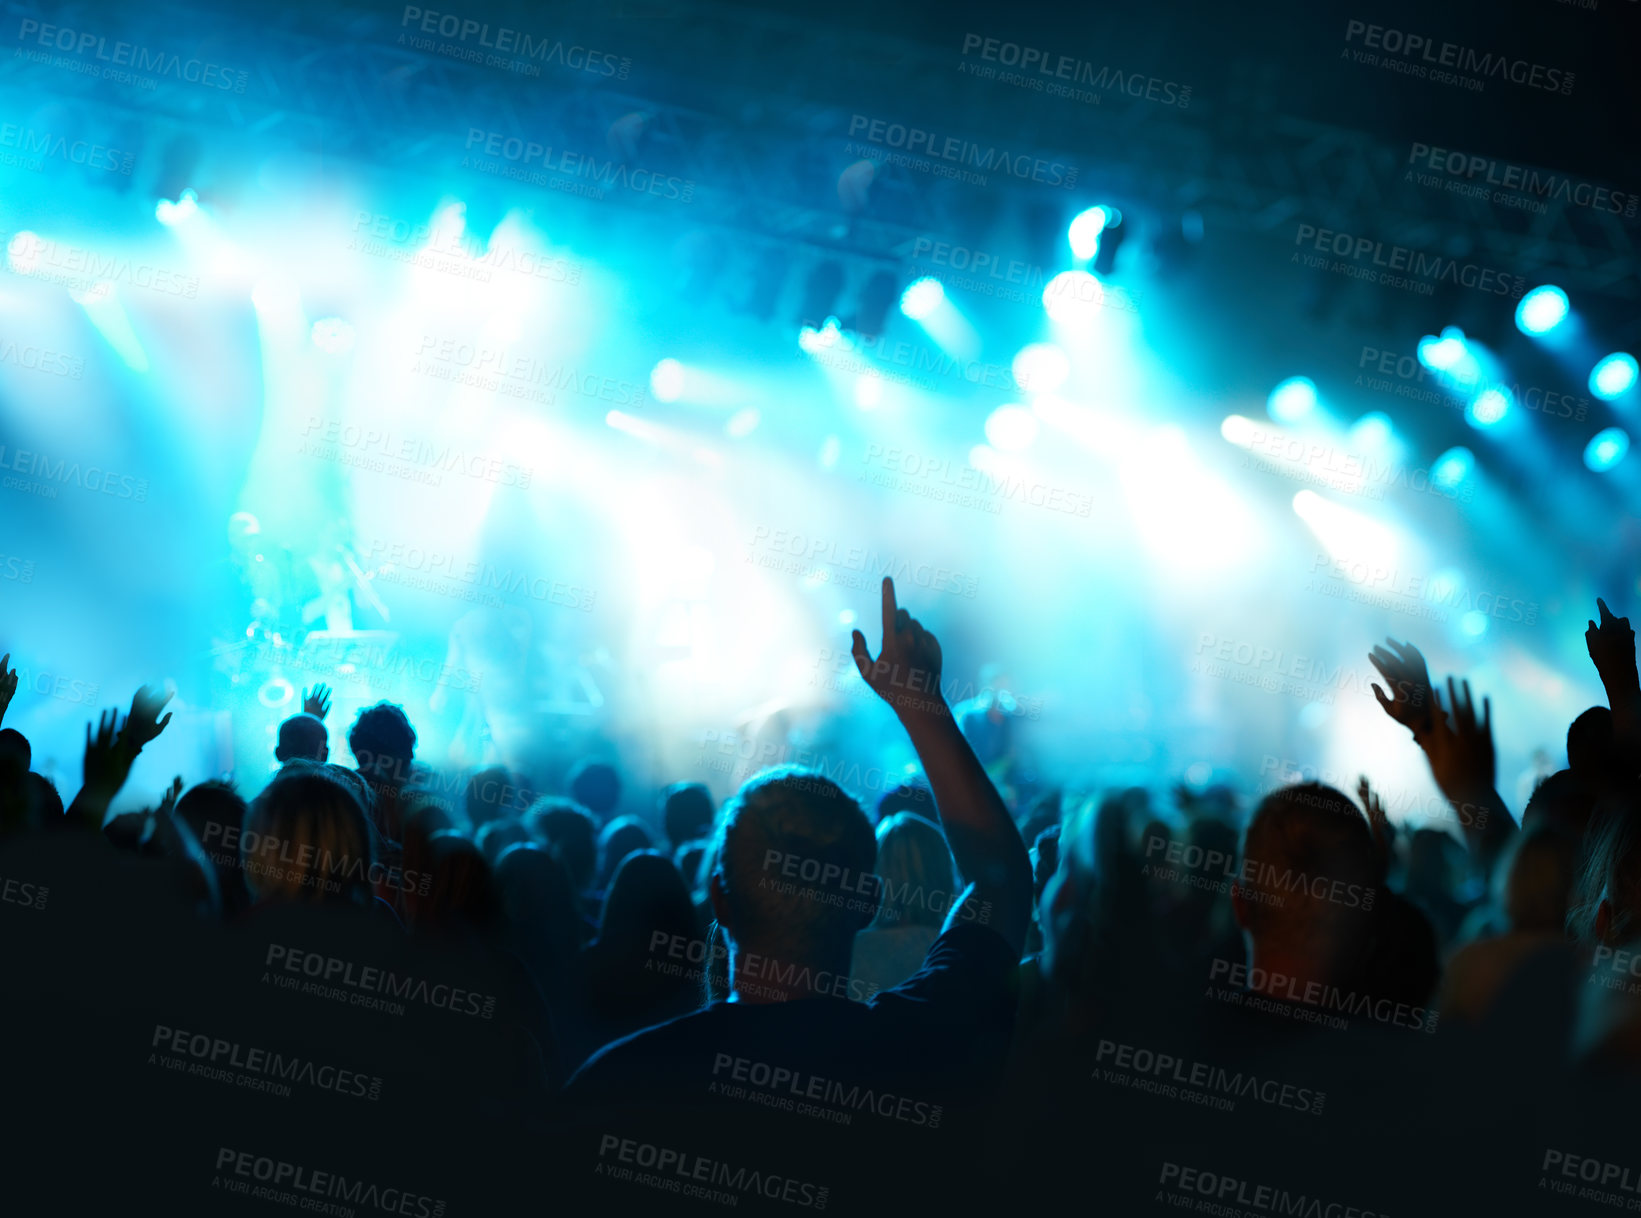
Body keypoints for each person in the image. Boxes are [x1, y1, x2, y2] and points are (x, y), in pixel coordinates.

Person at [562, 579, 1032, 1213]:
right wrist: (921, 705)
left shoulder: (611, 1090)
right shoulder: (922, 1052)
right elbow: (998, 877)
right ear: (867, 900)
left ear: (720, 904)